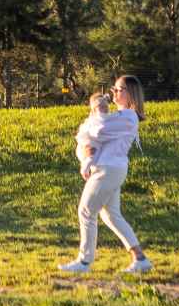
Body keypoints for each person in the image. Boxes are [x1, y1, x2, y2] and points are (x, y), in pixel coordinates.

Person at [59, 74, 153, 275]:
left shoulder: (128, 117)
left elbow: (98, 131)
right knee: (111, 216)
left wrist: (95, 115)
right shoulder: (118, 116)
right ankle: (140, 259)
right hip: (107, 168)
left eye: (119, 89)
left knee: (86, 211)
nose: (113, 93)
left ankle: (84, 262)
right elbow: (89, 133)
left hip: (109, 169)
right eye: (114, 89)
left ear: (130, 93)